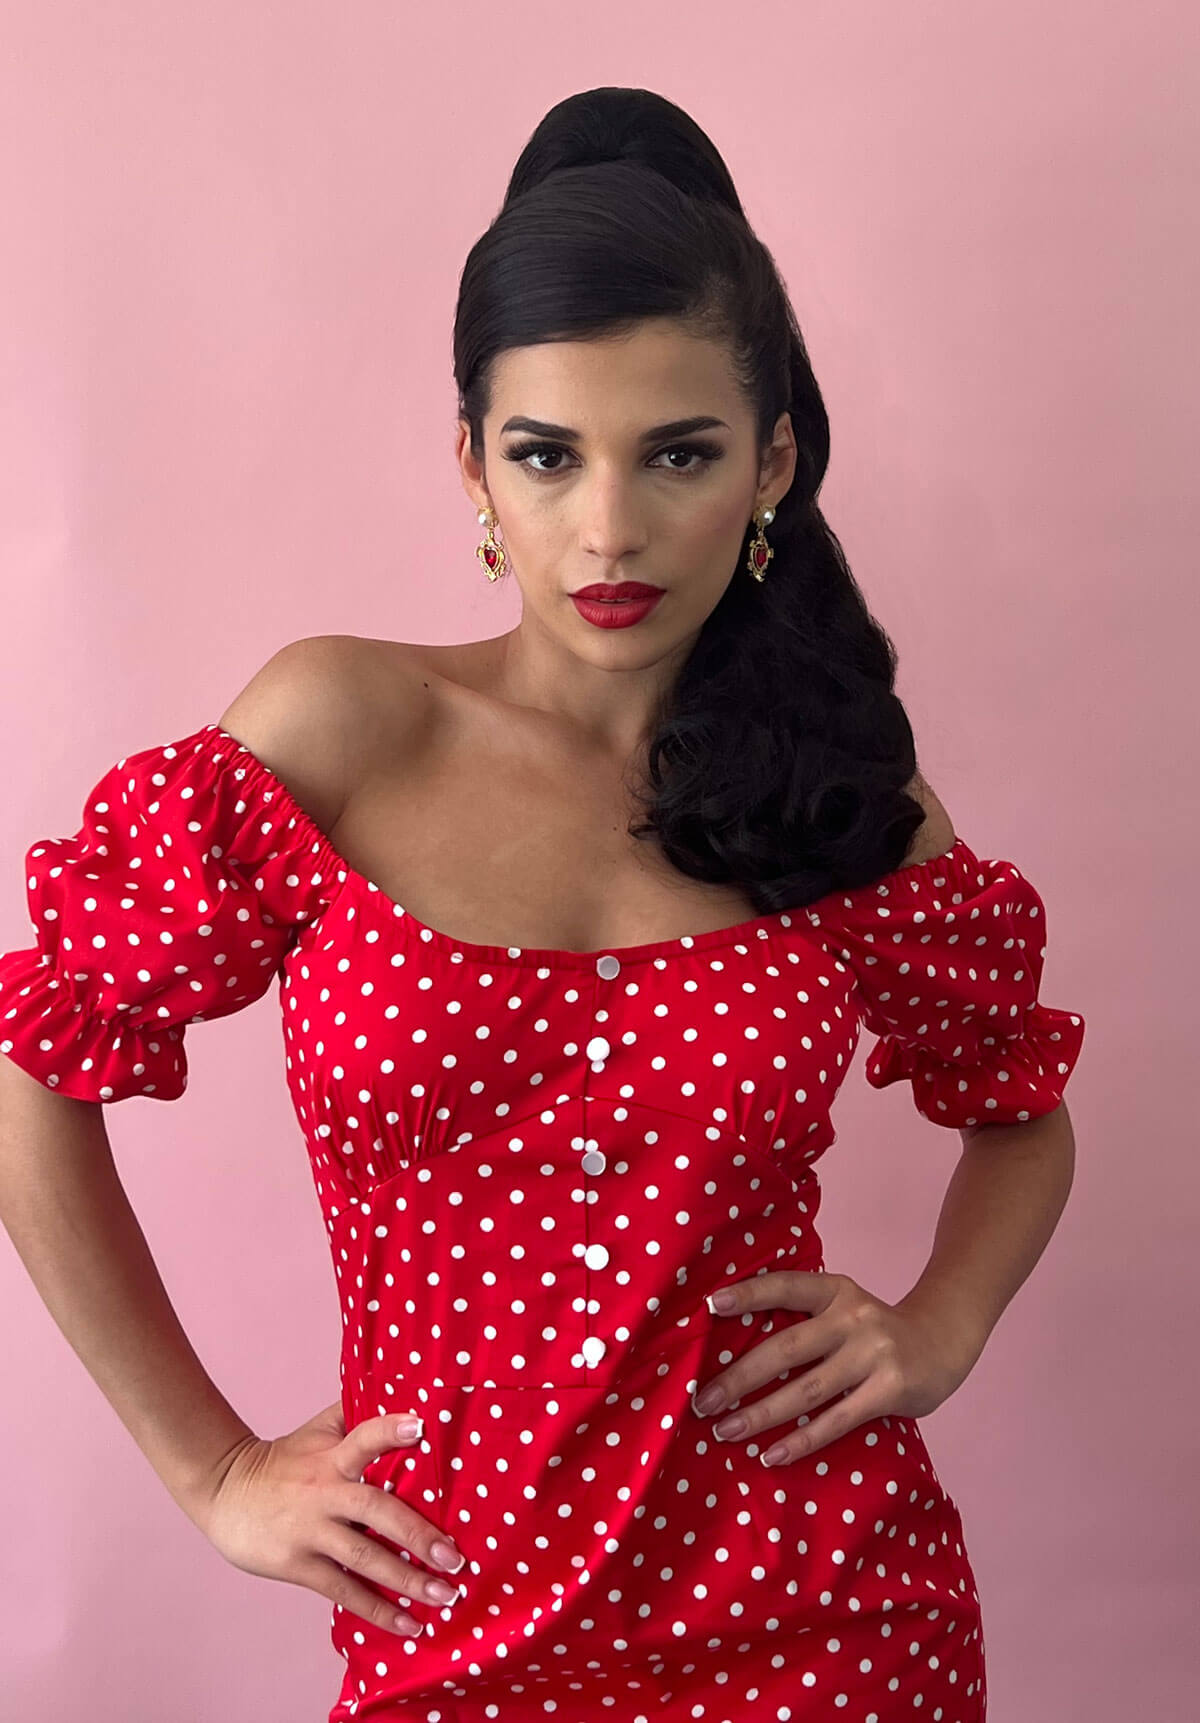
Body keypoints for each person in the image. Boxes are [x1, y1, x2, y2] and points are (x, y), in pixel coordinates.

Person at [0, 84, 1085, 1723]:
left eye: (680, 455)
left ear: (773, 462)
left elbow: (1021, 1110)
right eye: (547, 455)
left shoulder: (839, 783)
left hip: (834, 1622)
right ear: (473, 464)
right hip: (448, 1631)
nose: (609, 531)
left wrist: (939, 1325)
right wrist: (212, 1469)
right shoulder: (343, 729)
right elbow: (38, 1068)